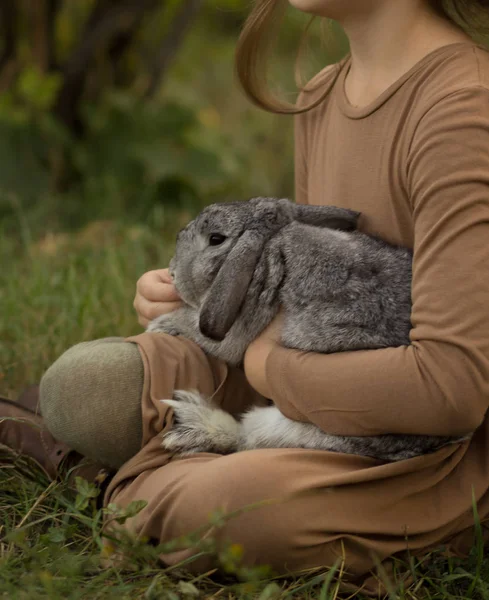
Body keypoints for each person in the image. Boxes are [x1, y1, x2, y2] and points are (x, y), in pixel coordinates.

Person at [2, 0, 489, 594]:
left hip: (425, 458)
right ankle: (133, 451)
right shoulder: (322, 93)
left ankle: (98, 473)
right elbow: (301, 279)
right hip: (310, 383)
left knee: (219, 510)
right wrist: (196, 295)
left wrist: (267, 365)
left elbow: (451, 389)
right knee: (90, 385)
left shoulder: (463, 110)